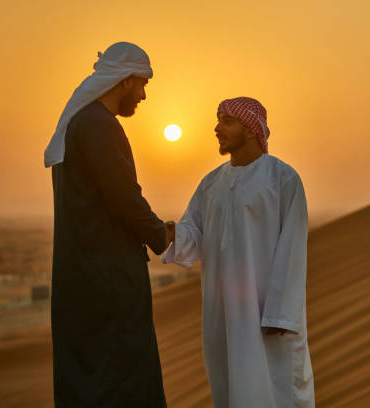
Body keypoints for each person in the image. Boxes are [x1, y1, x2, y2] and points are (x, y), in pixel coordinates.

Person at [162, 97, 315, 407]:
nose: (217, 128)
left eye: (226, 121)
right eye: (218, 120)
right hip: (222, 314)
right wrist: (169, 234)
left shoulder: (283, 179)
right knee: (229, 388)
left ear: (250, 130)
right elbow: (194, 236)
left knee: (276, 390)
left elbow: (292, 250)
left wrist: (280, 315)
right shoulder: (211, 184)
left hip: (268, 317)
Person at [44, 42, 170, 407]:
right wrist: (161, 234)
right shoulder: (99, 126)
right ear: (125, 81)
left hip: (84, 276)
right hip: (108, 277)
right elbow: (124, 198)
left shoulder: (79, 124)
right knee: (120, 376)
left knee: (89, 376)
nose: (144, 95)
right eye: (143, 83)